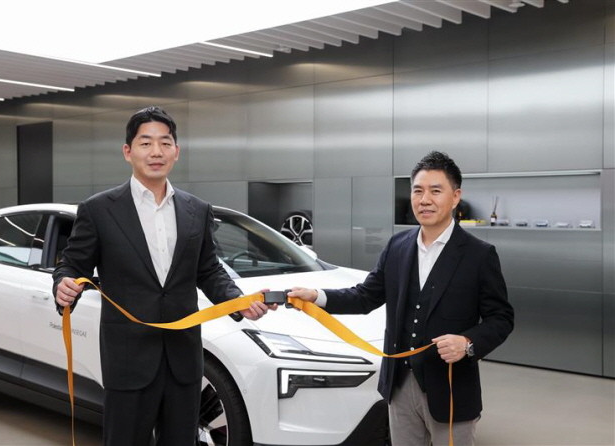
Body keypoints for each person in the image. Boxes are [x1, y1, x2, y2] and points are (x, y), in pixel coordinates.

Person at [53, 106, 273, 446]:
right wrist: (63, 285)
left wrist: (236, 301)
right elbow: (71, 266)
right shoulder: (99, 210)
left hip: (183, 360)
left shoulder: (197, 209)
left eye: (165, 143)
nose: (156, 151)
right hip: (128, 359)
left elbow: (208, 269)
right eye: (146, 143)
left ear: (176, 151)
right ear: (128, 152)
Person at [289, 151, 514, 446]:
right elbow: (365, 296)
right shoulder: (398, 246)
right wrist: (317, 297)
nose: (424, 200)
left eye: (435, 191)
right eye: (418, 191)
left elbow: (501, 318)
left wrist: (467, 343)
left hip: (450, 389)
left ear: (455, 197)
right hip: (399, 386)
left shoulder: (479, 255)